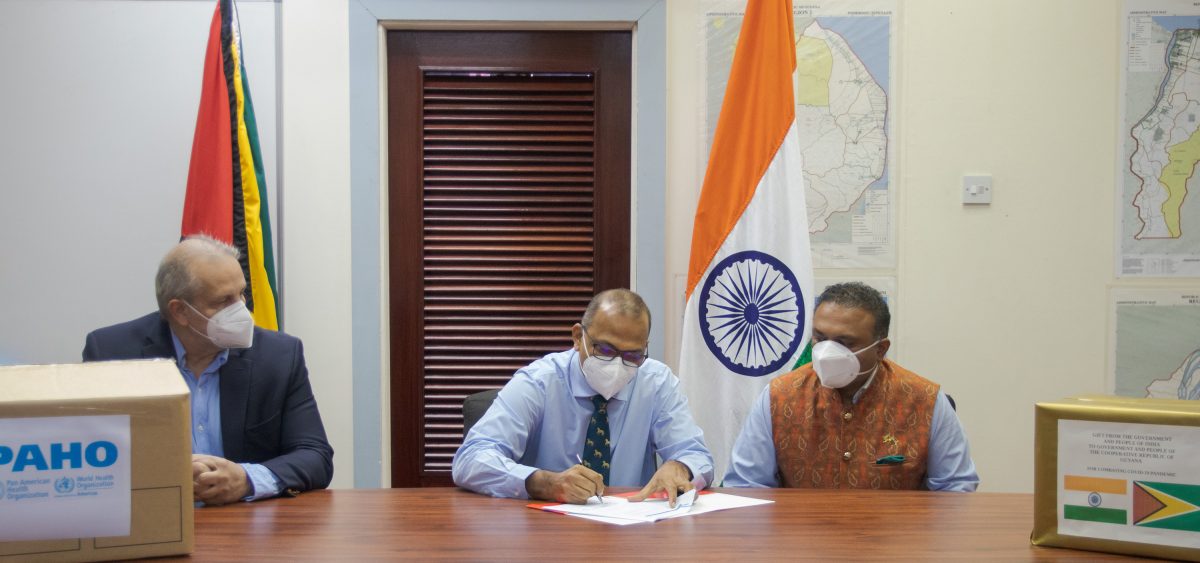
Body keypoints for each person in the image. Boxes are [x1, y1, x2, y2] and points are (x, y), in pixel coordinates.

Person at [83, 236, 333, 505]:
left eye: (242, 294)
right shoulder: (113, 353)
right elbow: (91, 456)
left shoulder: (278, 355)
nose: (241, 311)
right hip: (152, 516)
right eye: (223, 301)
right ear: (180, 311)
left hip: (244, 525)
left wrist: (246, 479)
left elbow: (314, 455)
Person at [452, 289, 714, 505]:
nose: (617, 365)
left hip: (633, 531)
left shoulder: (656, 382)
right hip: (544, 532)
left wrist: (680, 467)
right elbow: (471, 459)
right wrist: (544, 483)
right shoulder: (538, 382)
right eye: (605, 350)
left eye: (632, 355)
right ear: (578, 337)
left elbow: (696, 454)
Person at [725, 282, 978, 491]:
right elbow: (747, 485)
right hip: (802, 542)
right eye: (820, 338)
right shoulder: (779, 396)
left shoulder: (926, 401)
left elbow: (955, 489)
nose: (827, 352)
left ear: (880, 349)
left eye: (845, 342)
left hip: (894, 543)